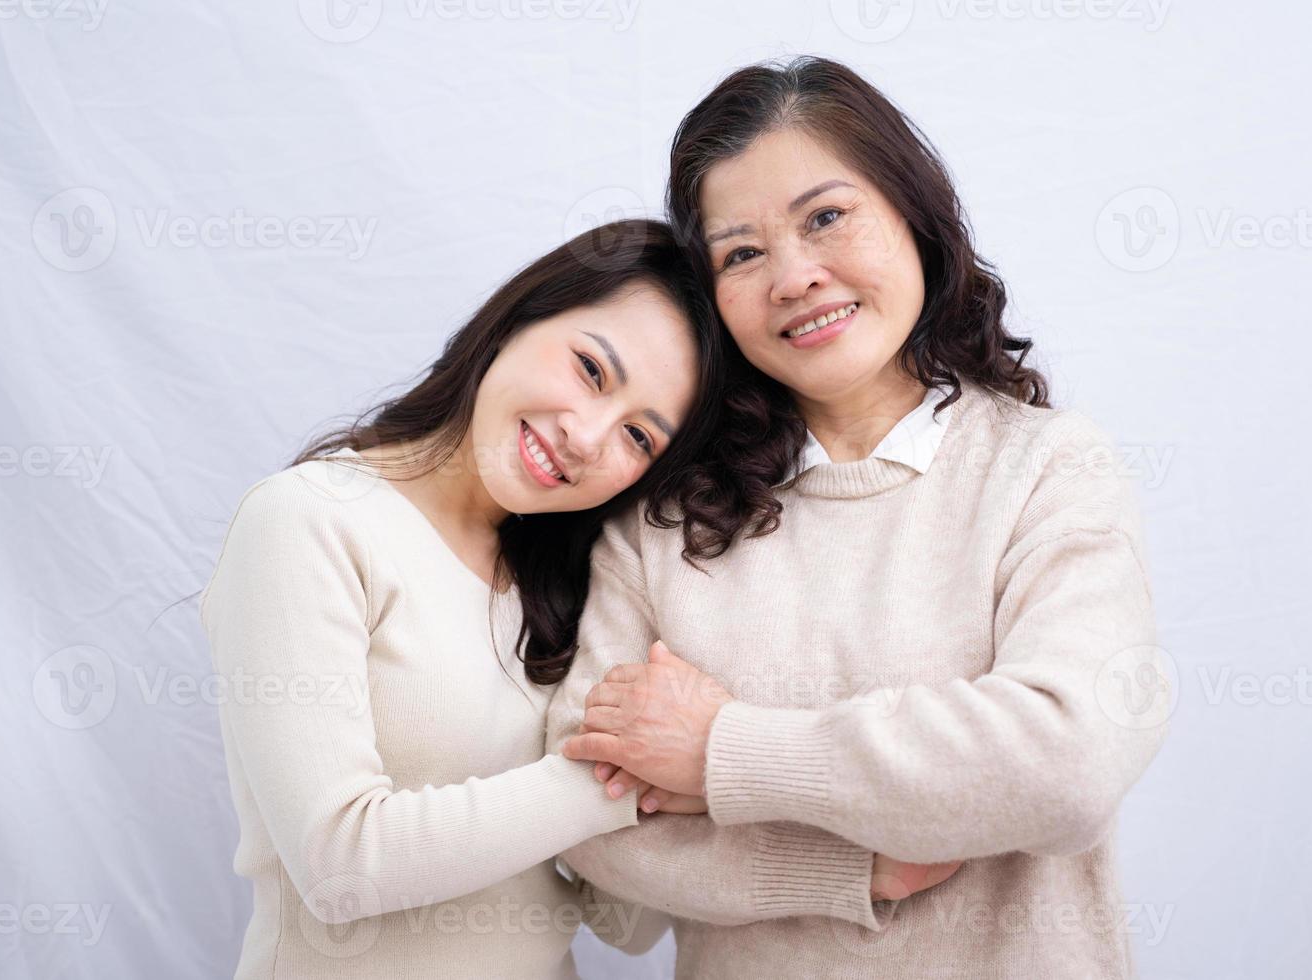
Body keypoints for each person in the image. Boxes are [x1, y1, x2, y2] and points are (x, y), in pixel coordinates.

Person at [552, 58, 1172, 978]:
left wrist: (721, 750)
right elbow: (593, 823)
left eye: (826, 217)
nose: (795, 277)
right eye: (742, 253)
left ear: (914, 219)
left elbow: (1067, 763)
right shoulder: (660, 523)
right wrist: (849, 866)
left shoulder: (1046, 466)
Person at [200, 220, 716, 979]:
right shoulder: (312, 520)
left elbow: (623, 924)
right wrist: (632, 774)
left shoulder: (570, 588)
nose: (587, 436)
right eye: (591, 371)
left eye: (640, 438)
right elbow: (340, 862)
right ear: (517, 317)